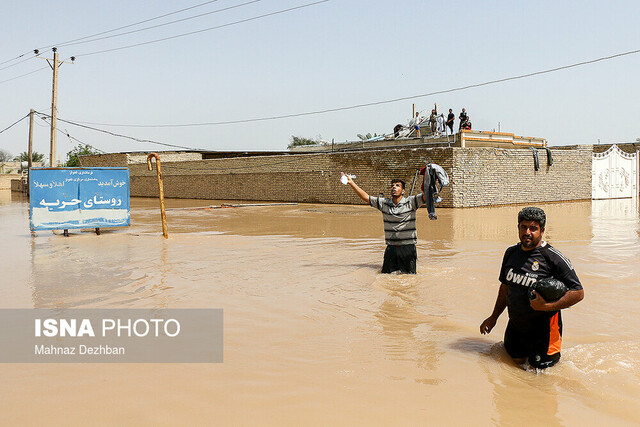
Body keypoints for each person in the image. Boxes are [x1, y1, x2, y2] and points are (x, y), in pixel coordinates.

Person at [480, 207, 584, 369]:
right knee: (512, 368)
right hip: (516, 328)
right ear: (518, 228)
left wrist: (547, 306)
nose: (527, 232)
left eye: (533, 228)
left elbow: (578, 293)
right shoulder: (511, 253)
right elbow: (505, 288)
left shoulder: (553, 258)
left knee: (541, 379)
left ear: (542, 230)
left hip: (544, 334)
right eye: (523, 227)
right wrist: (493, 317)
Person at [341, 173, 425, 274]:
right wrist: (351, 183)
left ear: (403, 191)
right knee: (386, 276)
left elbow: (426, 196)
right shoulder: (384, 203)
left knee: (409, 278)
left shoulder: (411, 202)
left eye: (397, 185)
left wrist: (430, 178)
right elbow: (366, 197)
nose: (394, 187)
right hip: (391, 248)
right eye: (392, 185)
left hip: (408, 248)